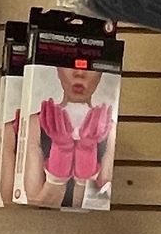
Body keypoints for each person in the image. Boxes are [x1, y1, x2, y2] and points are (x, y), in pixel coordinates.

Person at [22, 62, 117, 211]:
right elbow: (35, 203)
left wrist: (85, 161)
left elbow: (97, 204)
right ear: (58, 70)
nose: (79, 73)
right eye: (70, 64)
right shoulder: (37, 122)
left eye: (90, 67)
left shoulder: (109, 128)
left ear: (100, 75)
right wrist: (58, 174)